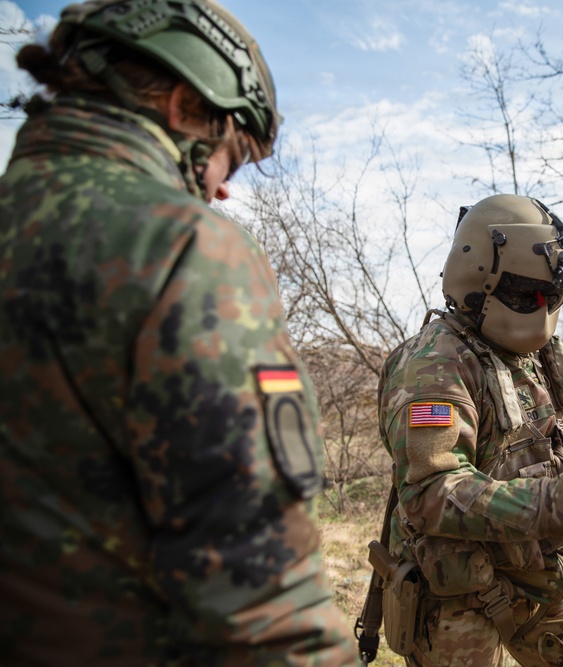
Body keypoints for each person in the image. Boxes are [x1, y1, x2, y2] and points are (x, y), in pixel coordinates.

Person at [0, 1, 359, 665]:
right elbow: (266, 605)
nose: (222, 191)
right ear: (183, 105)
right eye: (232, 156)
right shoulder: (182, 249)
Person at [376, 194, 563, 666]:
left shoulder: (542, 350)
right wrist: (561, 495)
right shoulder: (433, 368)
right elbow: (431, 493)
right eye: (524, 293)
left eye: (550, 296)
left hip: (543, 571)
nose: (539, 307)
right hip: (460, 593)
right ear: (478, 279)